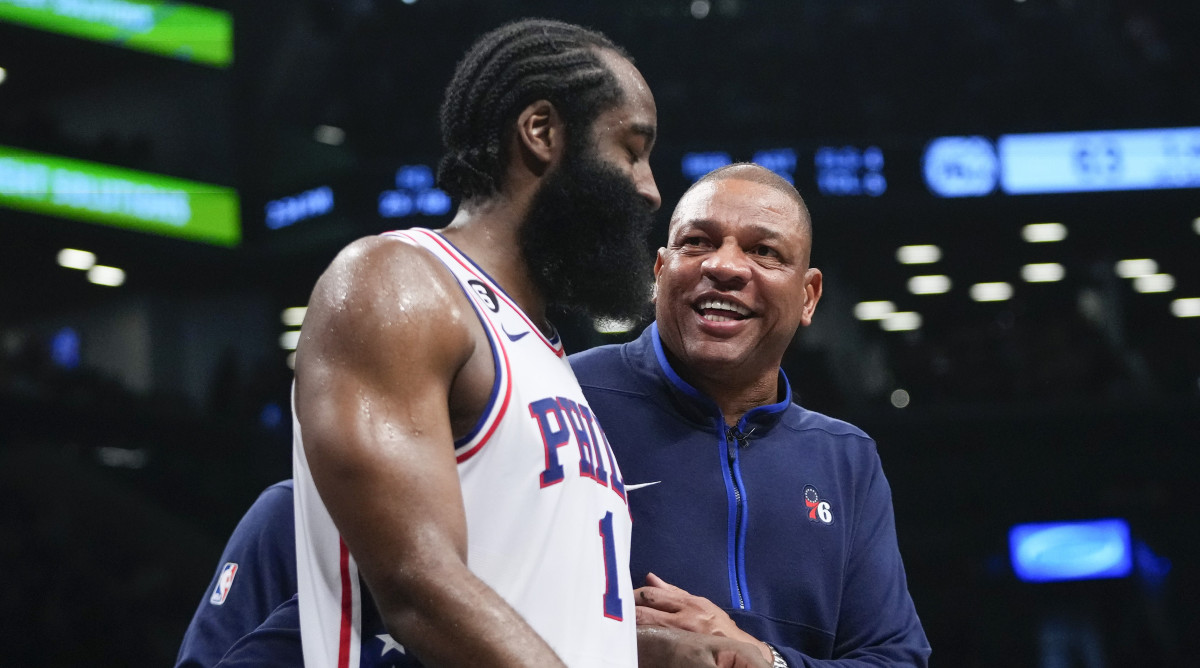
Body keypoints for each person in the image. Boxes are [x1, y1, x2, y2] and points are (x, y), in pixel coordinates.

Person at [208, 18, 768, 668]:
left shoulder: (547, 356)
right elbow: (420, 587)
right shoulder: (399, 283)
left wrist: (645, 651)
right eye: (630, 149)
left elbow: (523, 604)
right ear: (541, 133)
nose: (649, 188)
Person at [569, 163, 932, 666]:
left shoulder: (846, 459)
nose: (725, 266)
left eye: (764, 251)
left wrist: (760, 659)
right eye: (697, 241)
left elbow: (896, 660)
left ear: (808, 297)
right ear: (659, 272)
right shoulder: (567, 397)